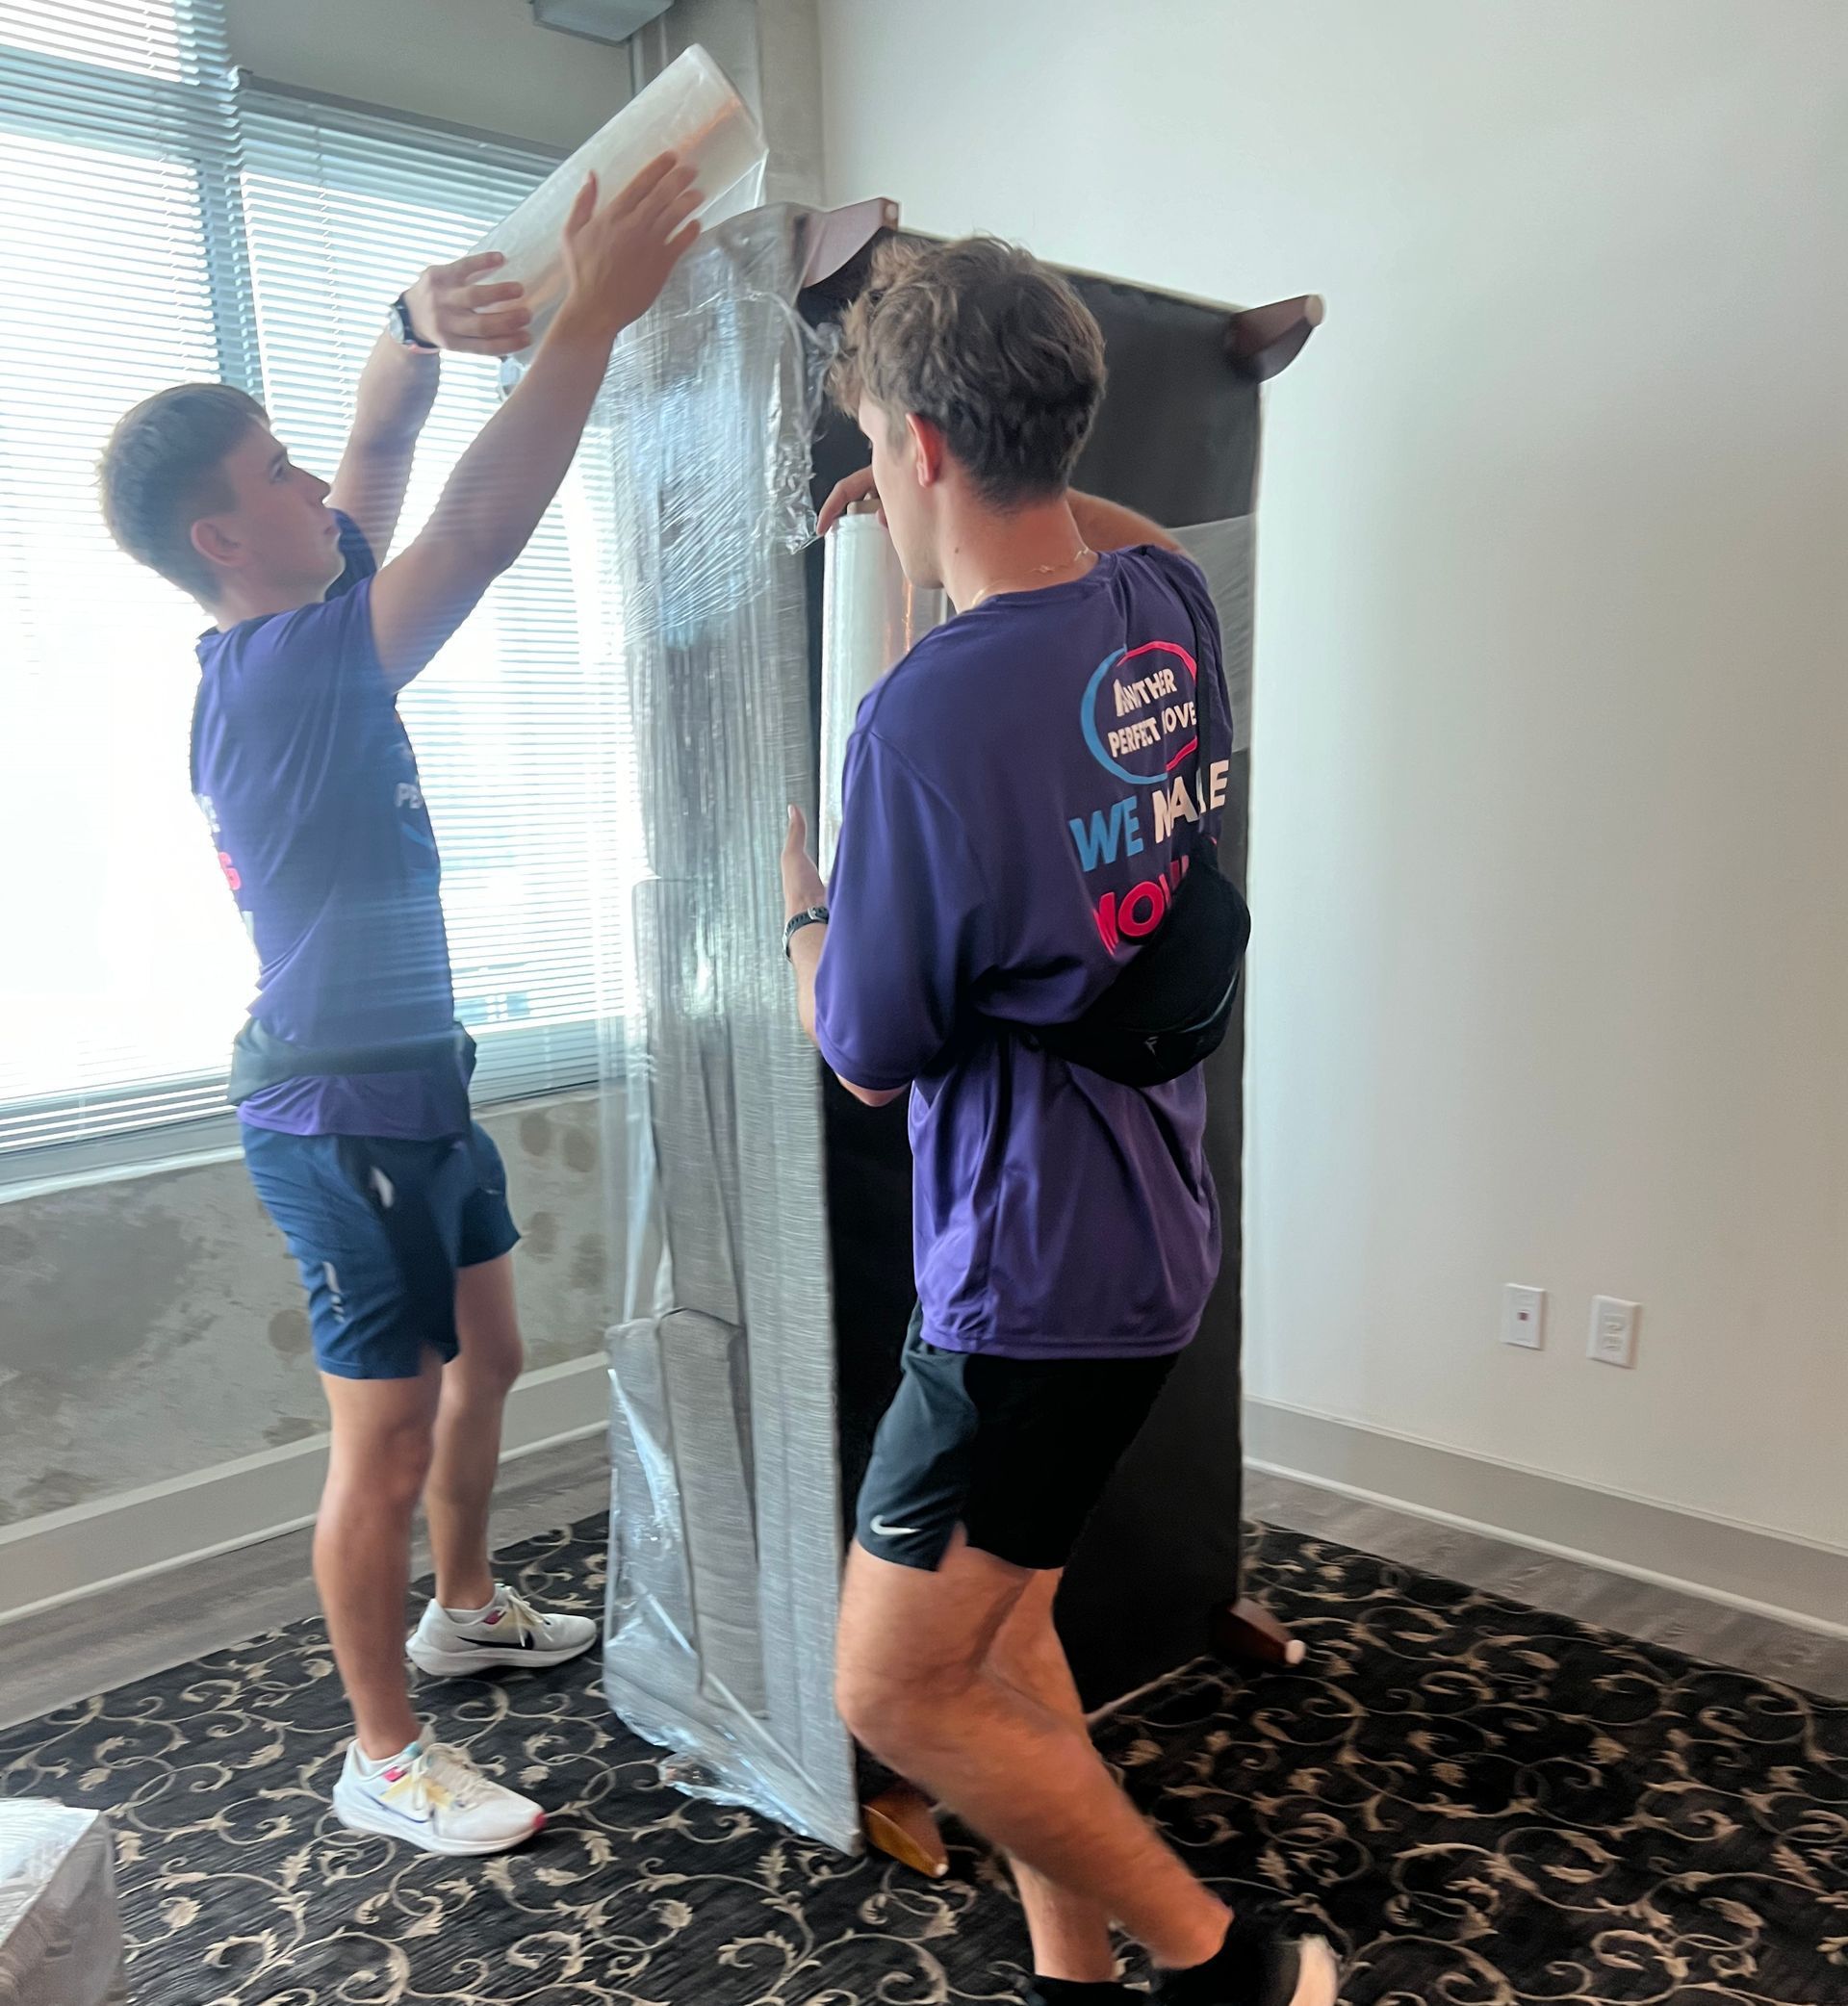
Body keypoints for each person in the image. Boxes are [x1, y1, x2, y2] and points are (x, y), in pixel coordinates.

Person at [99, 156, 702, 1858]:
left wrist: (405, 328)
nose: (318, 484)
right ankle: (381, 1751)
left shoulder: (300, 601)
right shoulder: (284, 674)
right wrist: (583, 324)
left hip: (415, 1082)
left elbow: (378, 457)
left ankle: (466, 1607)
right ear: (223, 534)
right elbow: (481, 530)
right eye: (274, 473)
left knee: (492, 1354)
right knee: (379, 1445)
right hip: (334, 1113)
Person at [781, 239, 1341, 2006]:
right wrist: (960, 469)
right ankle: (1070, 1977)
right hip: (1144, 1235)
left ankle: (1233, 1966)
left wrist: (802, 916)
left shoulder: (923, 715)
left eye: (878, 430)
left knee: (895, 1684)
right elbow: (1130, 535)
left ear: (923, 443)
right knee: (1004, 1631)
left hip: (1024, 1283)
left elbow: (869, 1059)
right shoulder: (1160, 608)